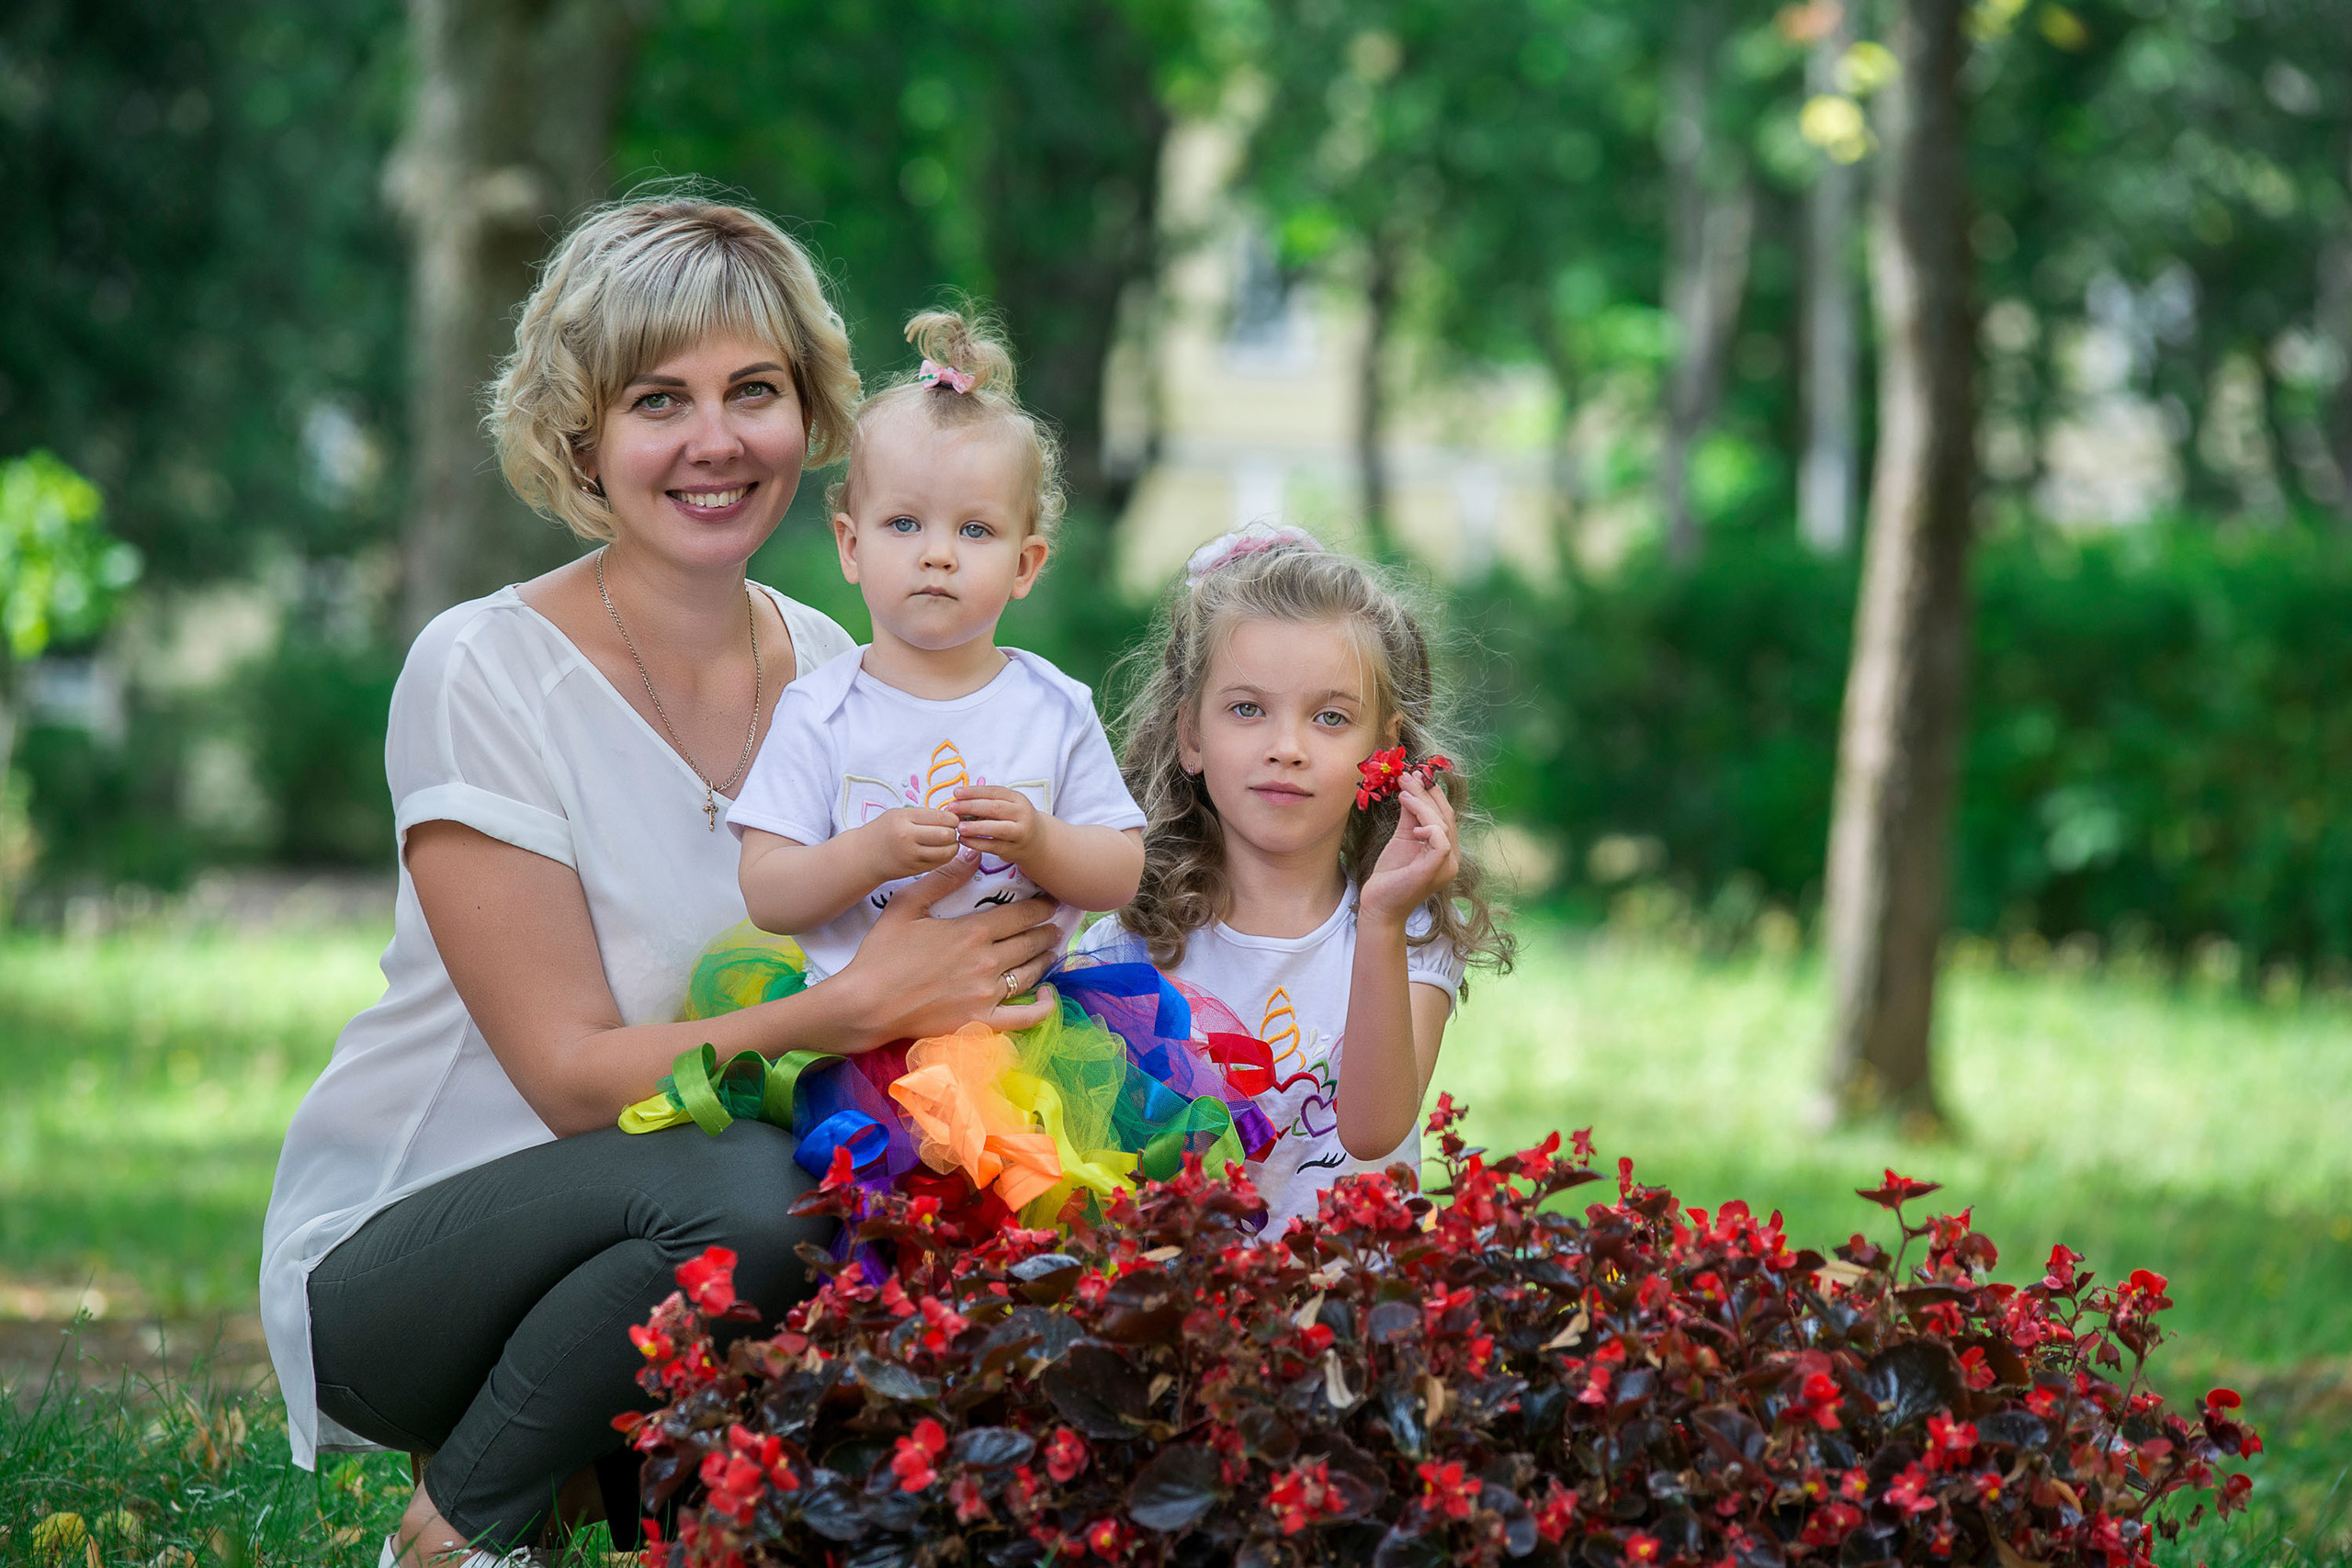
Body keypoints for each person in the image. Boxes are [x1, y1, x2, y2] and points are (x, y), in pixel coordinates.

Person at [258, 197, 1069, 1568]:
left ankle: (630, 1466)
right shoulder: (484, 667)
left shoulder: (837, 667)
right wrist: (862, 1000)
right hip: (409, 1257)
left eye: (753, 390)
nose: (714, 440)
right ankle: (462, 1525)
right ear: (585, 436)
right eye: (658, 399)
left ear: (807, 415)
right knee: (759, 1187)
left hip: (697, 1227)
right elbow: (576, 1078)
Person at [1070, 525, 1516, 1235]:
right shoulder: (1121, 948)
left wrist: (1381, 920)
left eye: (1331, 717)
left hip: (1352, 1313)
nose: (1286, 748)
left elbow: (1372, 1134)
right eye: (1247, 709)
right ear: (1191, 736)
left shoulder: (1410, 931)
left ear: (1384, 752)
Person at [730, 309, 1146, 976]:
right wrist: (869, 853)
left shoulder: (1053, 707)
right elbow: (767, 893)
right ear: (851, 545)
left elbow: (1121, 872)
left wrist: (1041, 840)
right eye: (903, 523)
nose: (938, 555)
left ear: (1025, 565)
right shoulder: (820, 710)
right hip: (857, 1046)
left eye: (976, 531)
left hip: (1022, 1037)